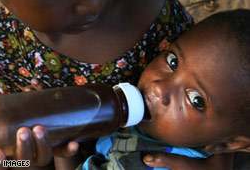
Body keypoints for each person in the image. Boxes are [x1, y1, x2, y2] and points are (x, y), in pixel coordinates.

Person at [0, 0, 232, 169]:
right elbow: (26, 149)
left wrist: (222, 161)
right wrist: (32, 158)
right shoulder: (1, 43)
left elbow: (226, 100)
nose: (94, 2)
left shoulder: (157, 14)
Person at [74, 9, 250, 170]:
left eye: (196, 99)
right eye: (173, 62)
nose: (159, 87)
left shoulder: (151, 163)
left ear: (227, 144)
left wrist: (60, 152)